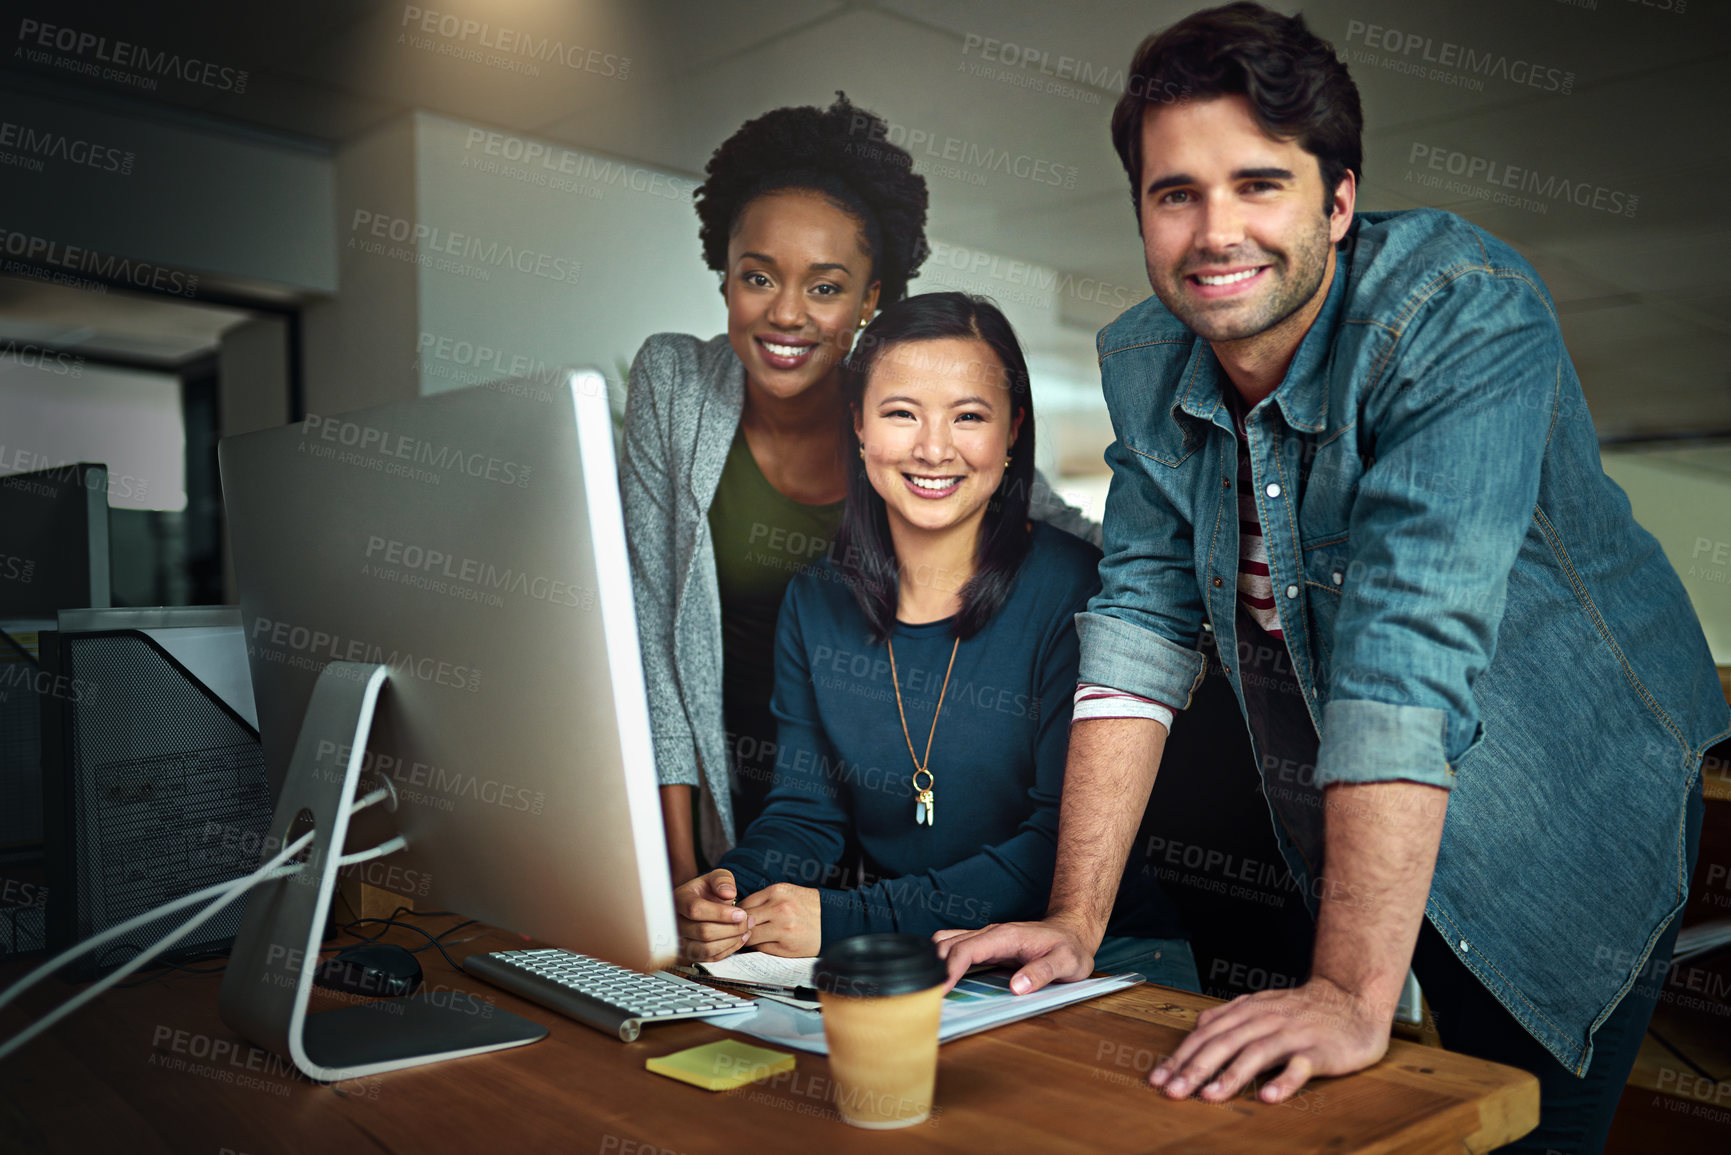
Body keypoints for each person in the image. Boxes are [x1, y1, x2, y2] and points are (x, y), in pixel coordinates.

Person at [933, 5, 1729, 1152]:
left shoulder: (1460, 310)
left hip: (1568, 786)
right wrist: (1073, 920)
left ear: (1339, 203)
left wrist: (1352, 994)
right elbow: (1141, 625)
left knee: (1517, 1126)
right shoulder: (1142, 360)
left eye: (1261, 184)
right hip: (1364, 800)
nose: (1216, 232)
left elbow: (1411, 644)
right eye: (1176, 194)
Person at [621, 96, 1097, 886]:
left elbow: (1028, 511)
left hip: (882, 769)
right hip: (743, 784)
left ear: (871, 297)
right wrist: (681, 877)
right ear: (725, 275)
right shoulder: (677, 387)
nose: (785, 313)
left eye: (825, 287)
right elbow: (653, 639)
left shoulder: (906, 416)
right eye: (757, 276)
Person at [672, 292, 1194, 991]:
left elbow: (1049, 851)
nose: (933, 448)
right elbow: (805, 813)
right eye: (900, 412)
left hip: (1108, 963)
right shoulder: (814, 600)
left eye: (968, 416)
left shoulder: (1081, 591)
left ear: (1012, 432)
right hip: (926, 960)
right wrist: (733, 892)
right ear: (856, 425)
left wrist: (845, 918)